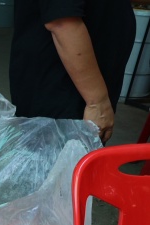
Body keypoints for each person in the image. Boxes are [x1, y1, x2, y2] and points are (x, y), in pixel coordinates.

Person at [9, 0, 136, 144]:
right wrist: (97, 102)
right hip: (62, 89)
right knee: (56, 152)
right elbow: (62, 21)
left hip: (79, 89)